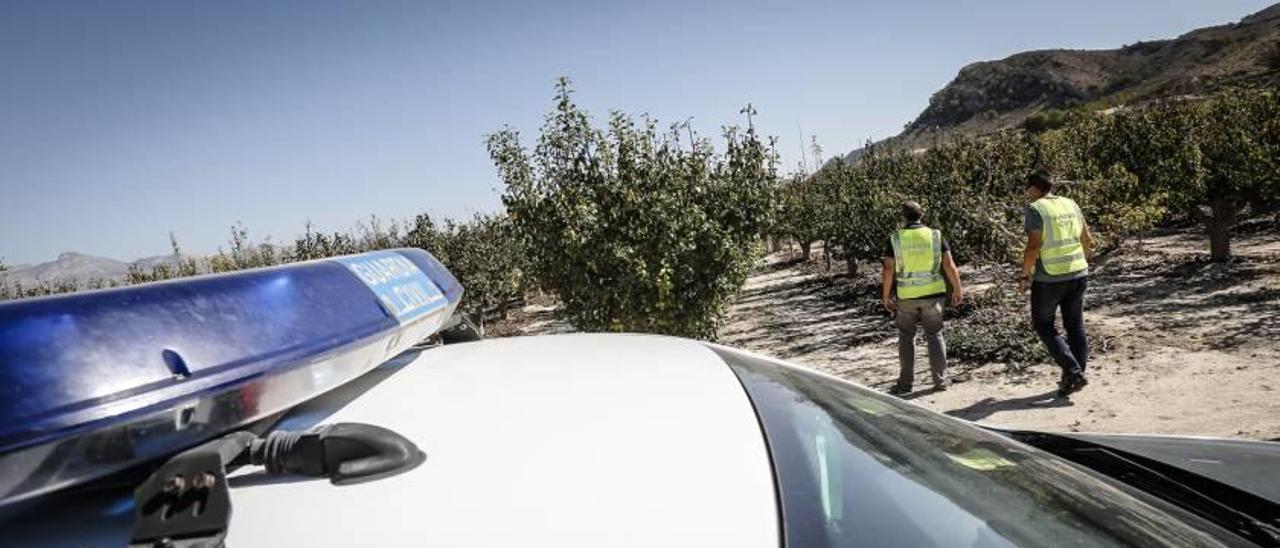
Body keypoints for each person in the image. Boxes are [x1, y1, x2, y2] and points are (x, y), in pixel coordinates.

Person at [1019, 171, 1095, 397]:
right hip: (1078, 273)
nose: (1026, 193)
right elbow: (1087, 239)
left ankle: (1073, 371)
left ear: (1034, 188)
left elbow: (1033, 246)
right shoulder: (1071, 204)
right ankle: (1074, 377)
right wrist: (1080, 262)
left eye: (1027, 188)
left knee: (1043, 325)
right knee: (1075, 326)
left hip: (1050, 278)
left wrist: (1025, 276)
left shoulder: (1036, 209)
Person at [882, 201, 963, 395]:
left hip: (907, 296)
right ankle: (941, 380)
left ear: (903, 216)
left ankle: (905, 383)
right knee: (935, 334)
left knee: (906, 337)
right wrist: (958, 289)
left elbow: (888, 268)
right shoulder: (935, 235)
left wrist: (886, 296)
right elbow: (949, 265)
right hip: (934, 295)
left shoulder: (895, 239)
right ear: (922, 215)